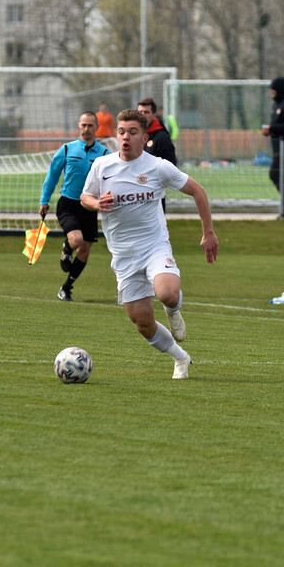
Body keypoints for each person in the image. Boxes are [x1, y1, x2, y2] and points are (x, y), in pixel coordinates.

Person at [80, 109, 219, 379]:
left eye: (133, 132)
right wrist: (97, 203)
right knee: (142, 323)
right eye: (121, 132)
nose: (125, 137)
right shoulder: (101, 166)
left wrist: (208, 233)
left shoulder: (157, 167)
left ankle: (173, 309)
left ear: (144, 137)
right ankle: (181, 358)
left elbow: (198, 191)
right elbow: (85, 197)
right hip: (123, 256)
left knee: (167, 292)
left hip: (154, 247)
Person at [39, 112, 110, 302]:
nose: (86, 129)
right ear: (78, 126)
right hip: (68, 204)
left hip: (90, 206)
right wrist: (44, 200)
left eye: (90, 126)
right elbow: (52, 176)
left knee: (85, 251)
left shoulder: (104, 154)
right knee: (76, 240)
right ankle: (66, 247)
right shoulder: (67, 149)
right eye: (83, 125)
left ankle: (66, 287)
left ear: (97, 128)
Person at [262, 76, 284, 219]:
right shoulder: (277, 105)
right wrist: (270, 130)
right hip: (278, 148)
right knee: (282, 177)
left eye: (274, 89)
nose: (271, 92)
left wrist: (272, 129)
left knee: (278, 175)